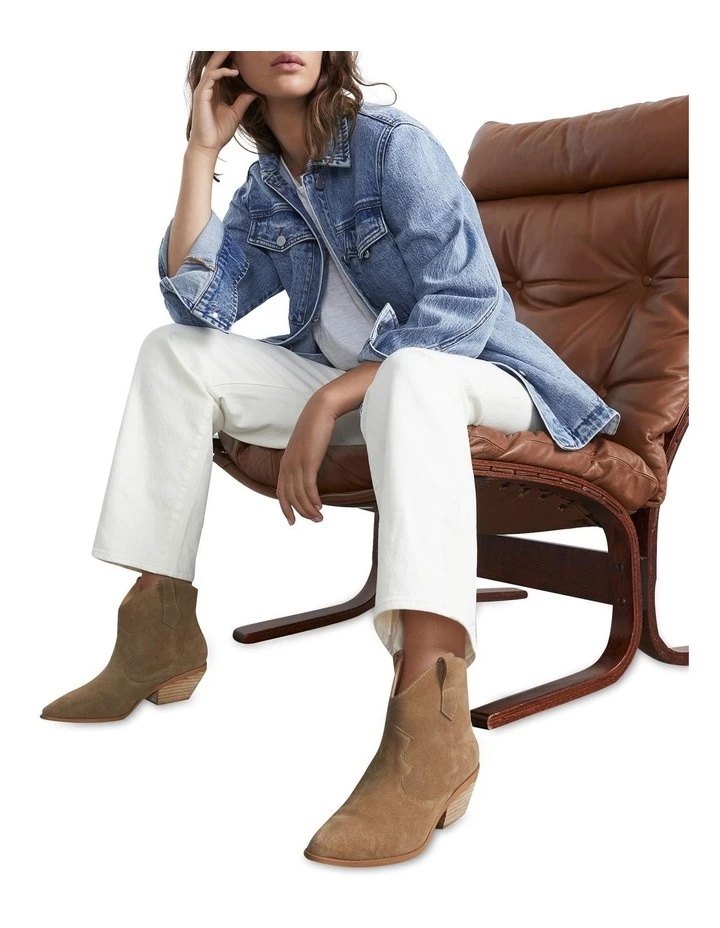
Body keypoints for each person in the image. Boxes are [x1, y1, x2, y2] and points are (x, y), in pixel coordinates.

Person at [40, 51, 621, 867]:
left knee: (411, 376)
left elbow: (465, 305)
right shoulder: (268, 187)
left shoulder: (392, 146)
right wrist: (200, 153)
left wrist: (330, 399)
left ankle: (430, 726)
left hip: (482, 379)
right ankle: (156, 631)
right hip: (371, 398)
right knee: (173, 354)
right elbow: (200, 305)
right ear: (226, 60)